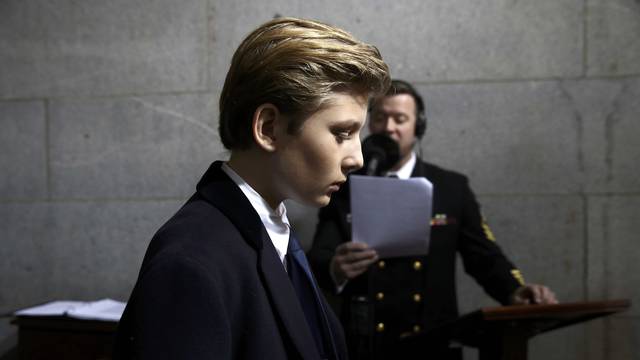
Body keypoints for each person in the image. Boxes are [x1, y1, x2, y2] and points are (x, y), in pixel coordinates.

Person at [113, 17, 390, 360]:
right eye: (341, 133)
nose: (357, 159)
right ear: (269, 128)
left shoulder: (271, 232)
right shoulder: (190, 263)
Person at [307, 79, 558, 360]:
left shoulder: (451, 188)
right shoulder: (343, 187)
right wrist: (336, 268)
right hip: (366, 345)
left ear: (418, 127)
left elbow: (484, 256)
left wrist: (516, 290)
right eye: (380, 118)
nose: (389, 127)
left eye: (400, 119)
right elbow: (319, 255)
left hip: (434, 344)